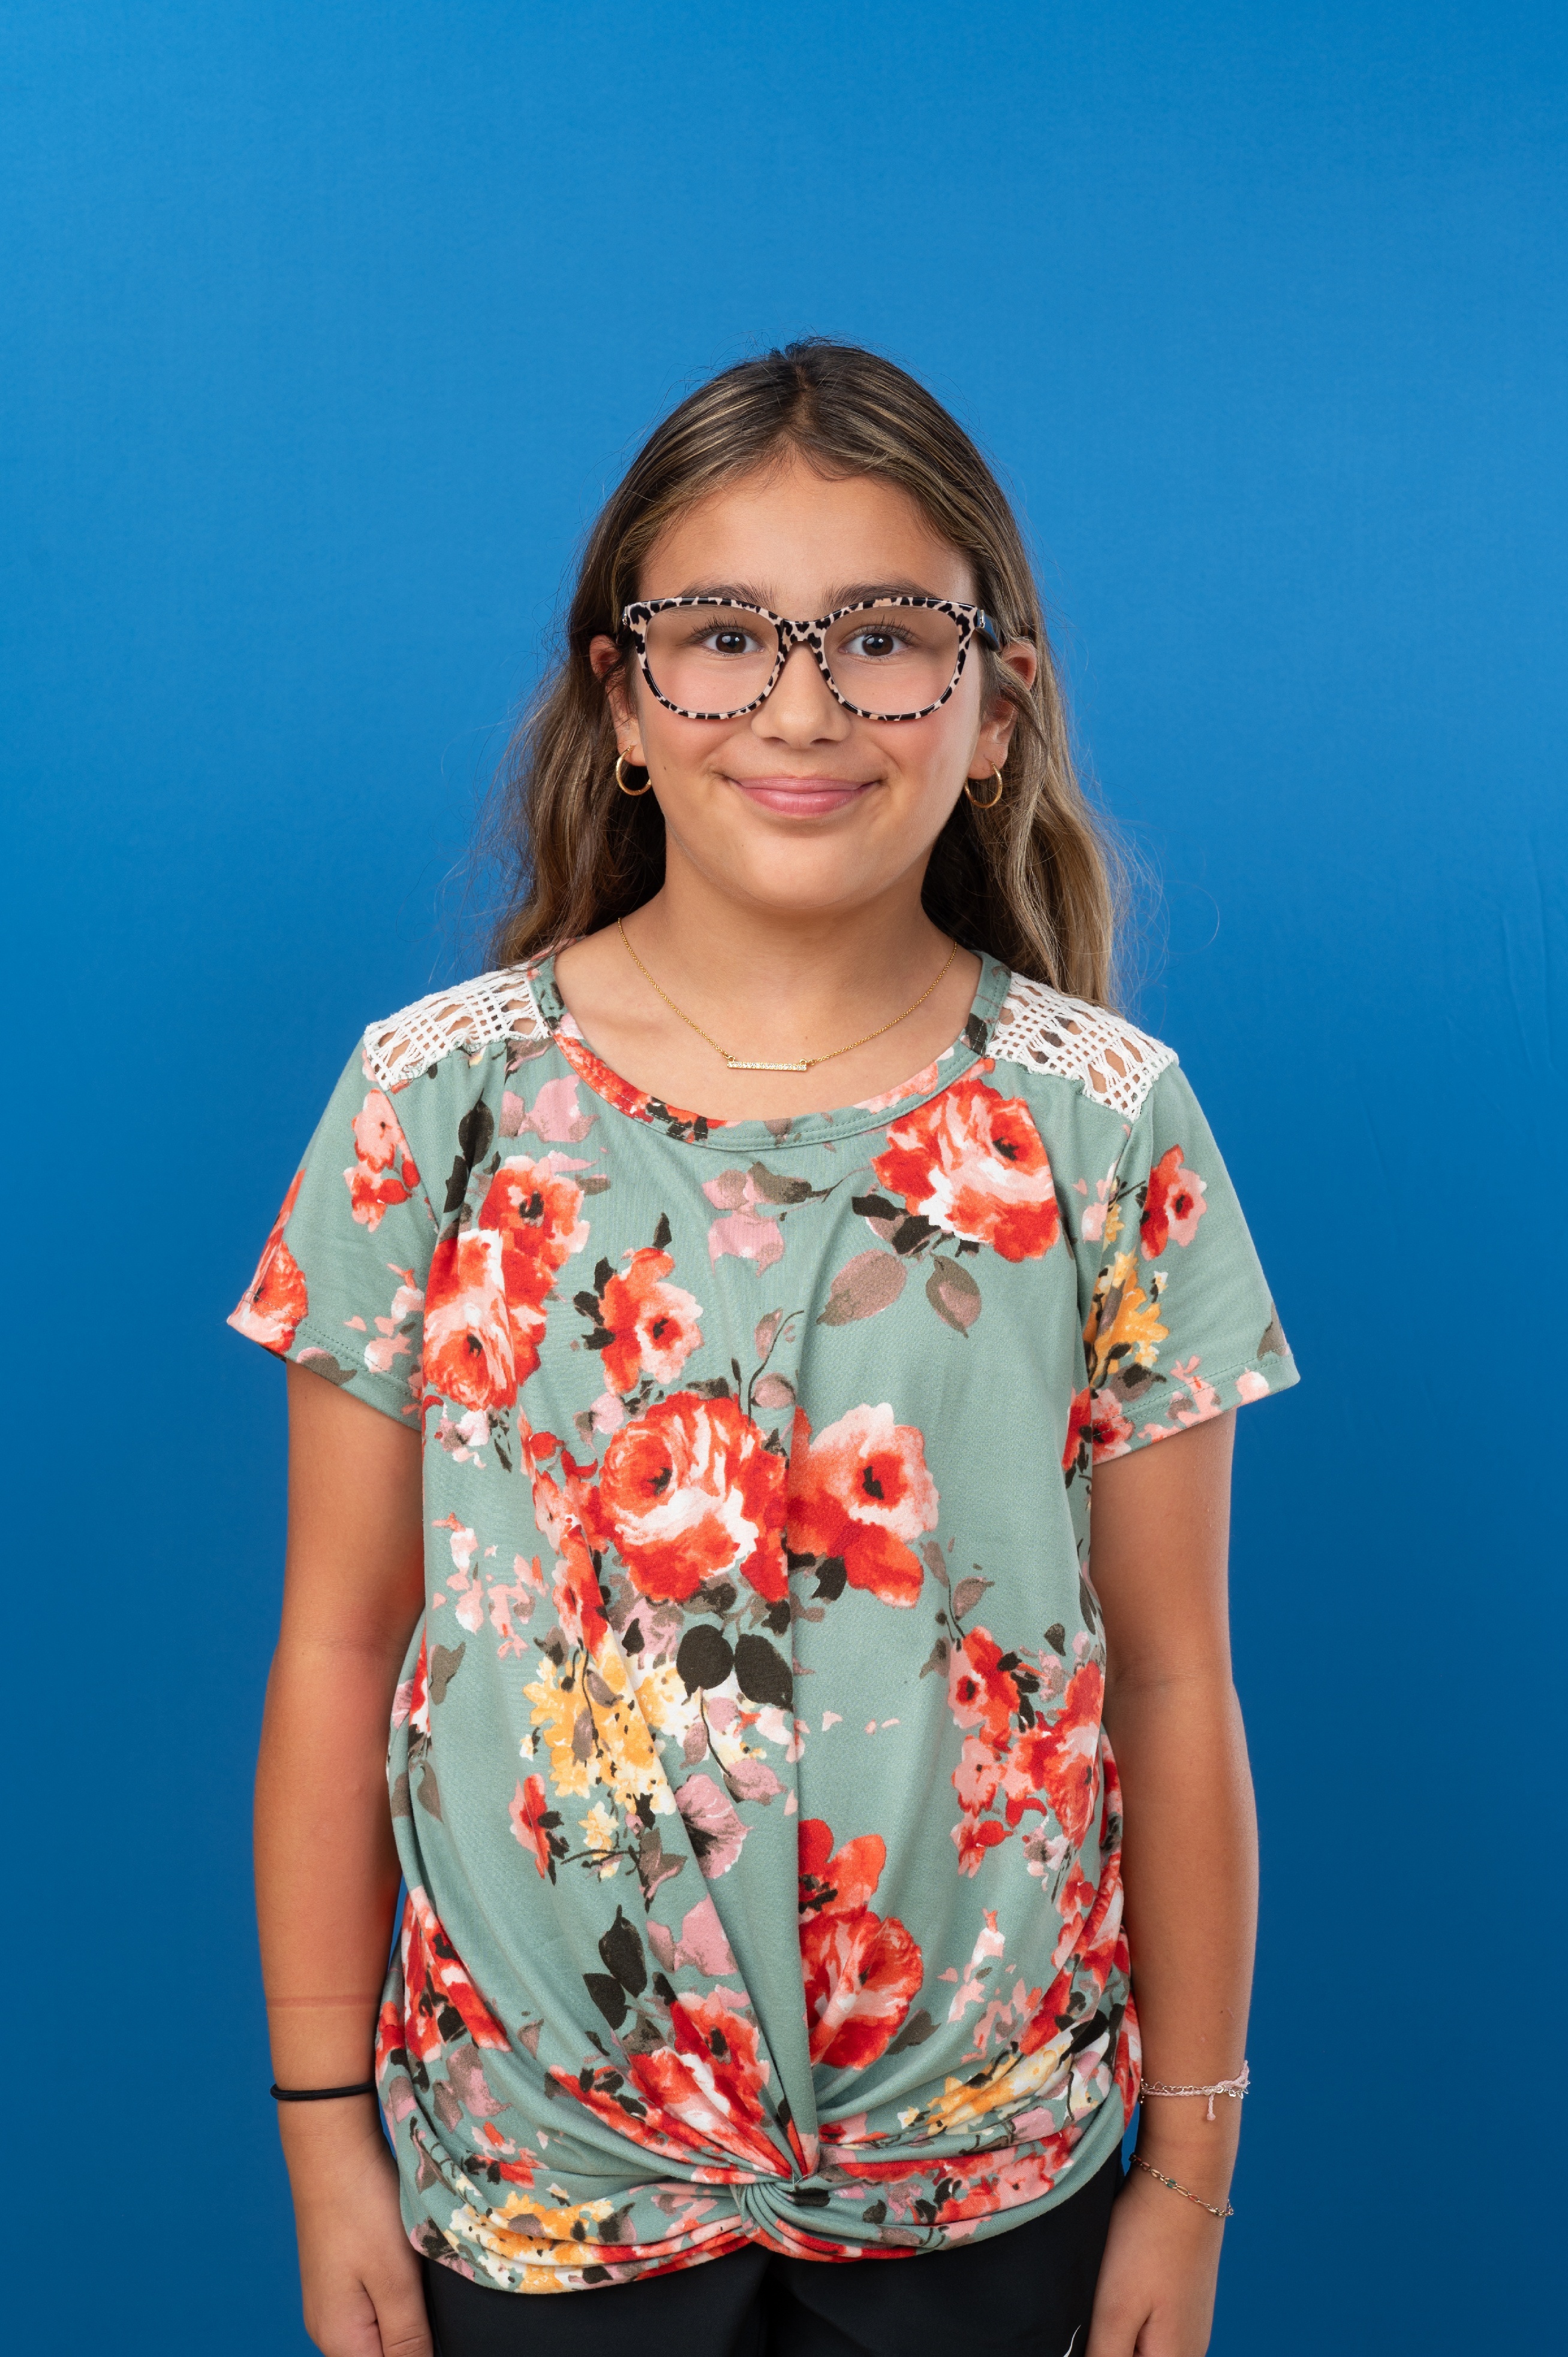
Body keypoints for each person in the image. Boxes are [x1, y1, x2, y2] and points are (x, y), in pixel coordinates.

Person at [234, 339, 1298, 2357]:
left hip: (993, 2175)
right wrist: (322, 2139)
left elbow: (1171, 1674)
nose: (802, 707)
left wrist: (1186, 2172)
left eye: (884, 639)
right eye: (724, 637)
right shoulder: (430, 1103)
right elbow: (342, 1644)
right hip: (532, 2176)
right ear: (623, 700)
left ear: (996, 708)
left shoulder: (1105, 1120)